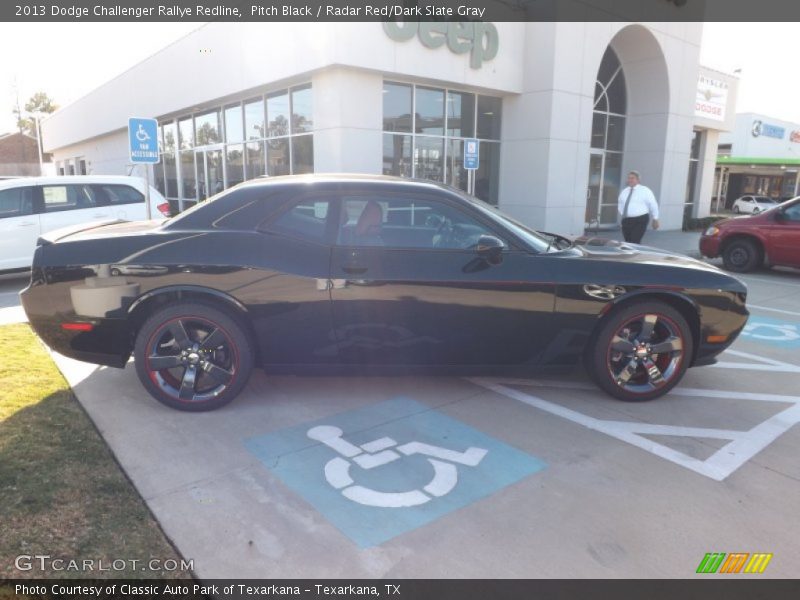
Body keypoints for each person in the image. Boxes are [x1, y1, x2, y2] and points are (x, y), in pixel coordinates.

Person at [618, 170, 660, 244]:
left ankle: (636, 254)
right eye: (629, 178)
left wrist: (655, 218)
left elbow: (653, 204)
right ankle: (630, 255)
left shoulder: (645, 190)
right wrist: (623, 214)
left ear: (638, 180)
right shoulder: (624, 191)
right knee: (628, 242)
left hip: (640, 220)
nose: (630, 180)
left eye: (632, 178)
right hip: (626, 220)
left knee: (635, 241)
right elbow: (620, 204)